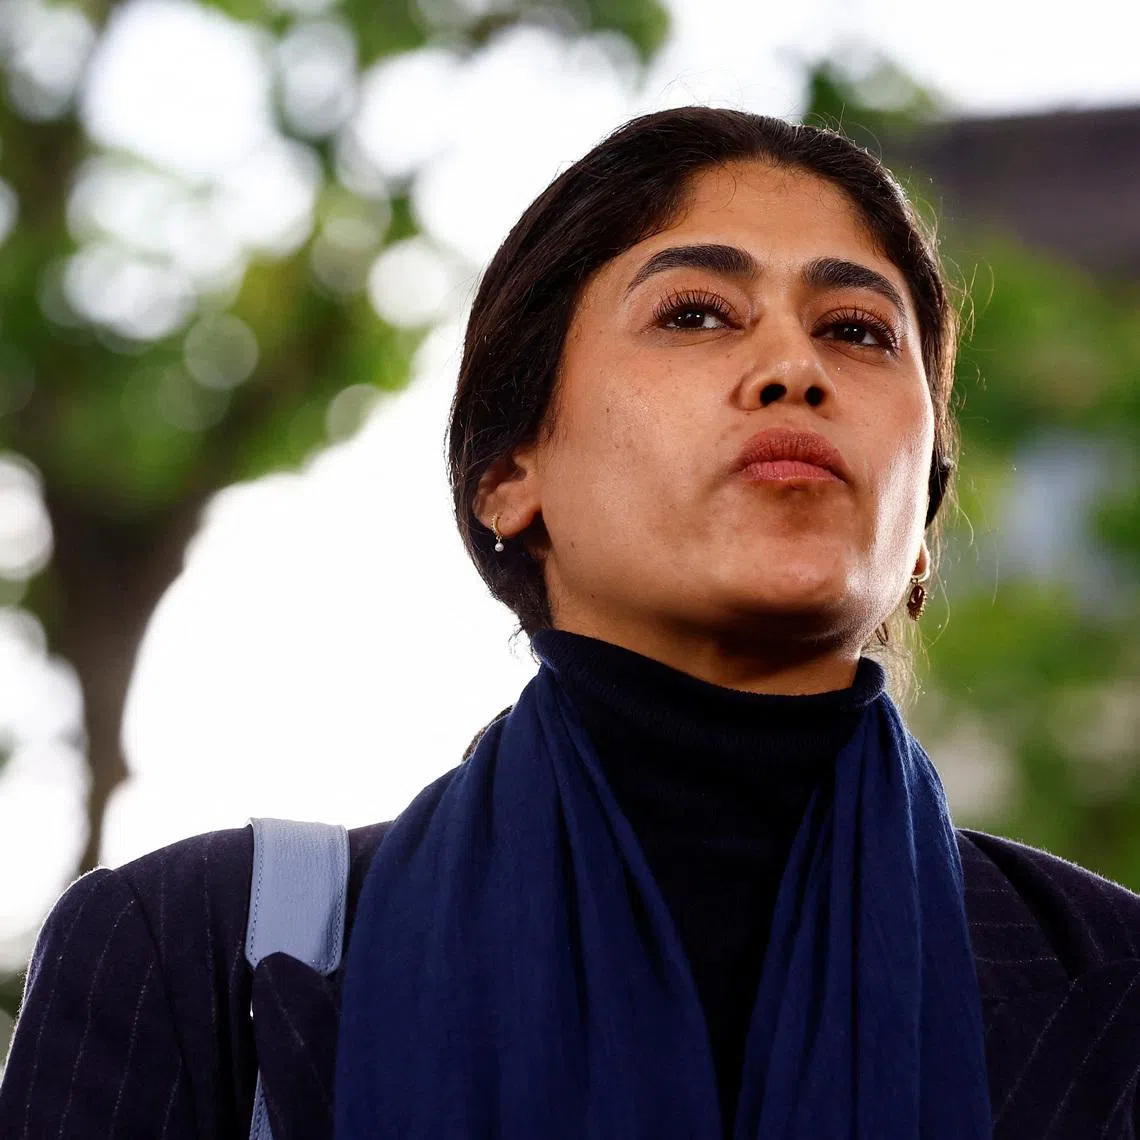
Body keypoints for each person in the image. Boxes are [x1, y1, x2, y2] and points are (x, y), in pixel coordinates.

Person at [3, 107, 1139, 1140]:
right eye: (696, 313)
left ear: (923, 525)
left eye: (857, 331)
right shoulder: (193, 958)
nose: (795, 366)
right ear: (508, 475)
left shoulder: (1115, 985)